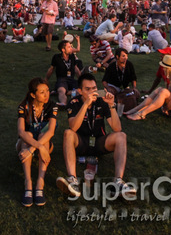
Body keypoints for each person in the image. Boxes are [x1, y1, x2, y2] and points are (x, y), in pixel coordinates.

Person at [56, 73, 136, 199]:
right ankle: (73, 180)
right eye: (87, 89)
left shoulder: (102, 102)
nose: (92, 92)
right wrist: (85, 105)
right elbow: (73, 127)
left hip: (98, 142)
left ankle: (118, 182)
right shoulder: (74, 102)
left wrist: (111, 105)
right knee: (68, 133)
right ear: (80, 91)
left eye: (94, 88)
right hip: (81, 142)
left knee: (121, 136)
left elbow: (117, 128)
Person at [17, 78, 58, 207]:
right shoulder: (24, 107)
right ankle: (28, 183)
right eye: (42, 92)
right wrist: (37, 146)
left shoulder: (52, 106)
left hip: (43, 145)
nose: (46, 94)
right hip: (26, 144)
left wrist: (33, 149)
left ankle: (40, 183)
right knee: (28, 135)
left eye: (47, 90)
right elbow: (21, 132)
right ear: (33, 95)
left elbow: (51, 132)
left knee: (43, 135)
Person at [126, 54, 171, 121]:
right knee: (160, 89)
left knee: (164, 92)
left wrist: (166, 109)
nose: (163, 69)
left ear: (168, 68)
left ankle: (141, 114)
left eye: (164, 67)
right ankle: (136, 109)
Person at [44, 39, 82, 107]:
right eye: (69, 47)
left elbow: (76, 68)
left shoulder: (72, 56)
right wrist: (46, 79)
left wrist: (81, 79)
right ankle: (63, 103)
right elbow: (51, 69)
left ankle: (71, 101)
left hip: (71, 79)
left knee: (77, 91)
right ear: (63, 50)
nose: (71, 48)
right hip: (62, 79)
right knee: (62, 90)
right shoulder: (56, 57)